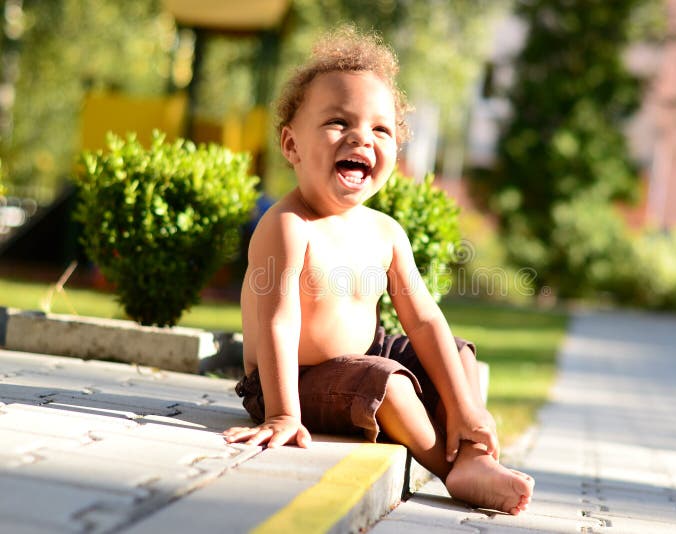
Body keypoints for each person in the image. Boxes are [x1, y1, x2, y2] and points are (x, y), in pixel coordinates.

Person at [222, 27, 534, 515]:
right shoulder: (288, 225)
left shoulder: (386, 232)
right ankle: (452, 470)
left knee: (455, 353)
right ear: (291, 144)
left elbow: (424, 320)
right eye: (337, 122)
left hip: (364, 354)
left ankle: (473, 449)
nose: (360, 137)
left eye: (380, 129)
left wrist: (468, 407)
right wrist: (284, 413)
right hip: (291, 382)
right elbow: (278, 323)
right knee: (388, 383)